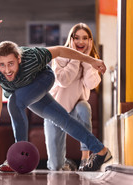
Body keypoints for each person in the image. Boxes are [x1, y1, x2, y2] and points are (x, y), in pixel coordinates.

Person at [0, 41, 112, 172]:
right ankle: (101, 150)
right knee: (62, 119)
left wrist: (91, 60)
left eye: (11, 64)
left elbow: (60, 50)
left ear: (19, 59)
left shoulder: (33, 56)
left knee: (14, 102)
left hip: (43, 79)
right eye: (2, 65)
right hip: (24, 90)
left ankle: (19, 156)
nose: (7, 70)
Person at [44, 23, 102, 171]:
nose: (80, 42)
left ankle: (85, 159)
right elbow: (64, 81)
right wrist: (76, 58)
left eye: (85, 38)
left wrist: (87, 60)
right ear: (70, 40)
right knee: (55, 165)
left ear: (90, 41)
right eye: (77, 38)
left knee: (84, 107)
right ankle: (65, 163)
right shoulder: (59, 58)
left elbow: (91, 84)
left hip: (76, 108)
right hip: (56, 110)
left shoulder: (92, 61)